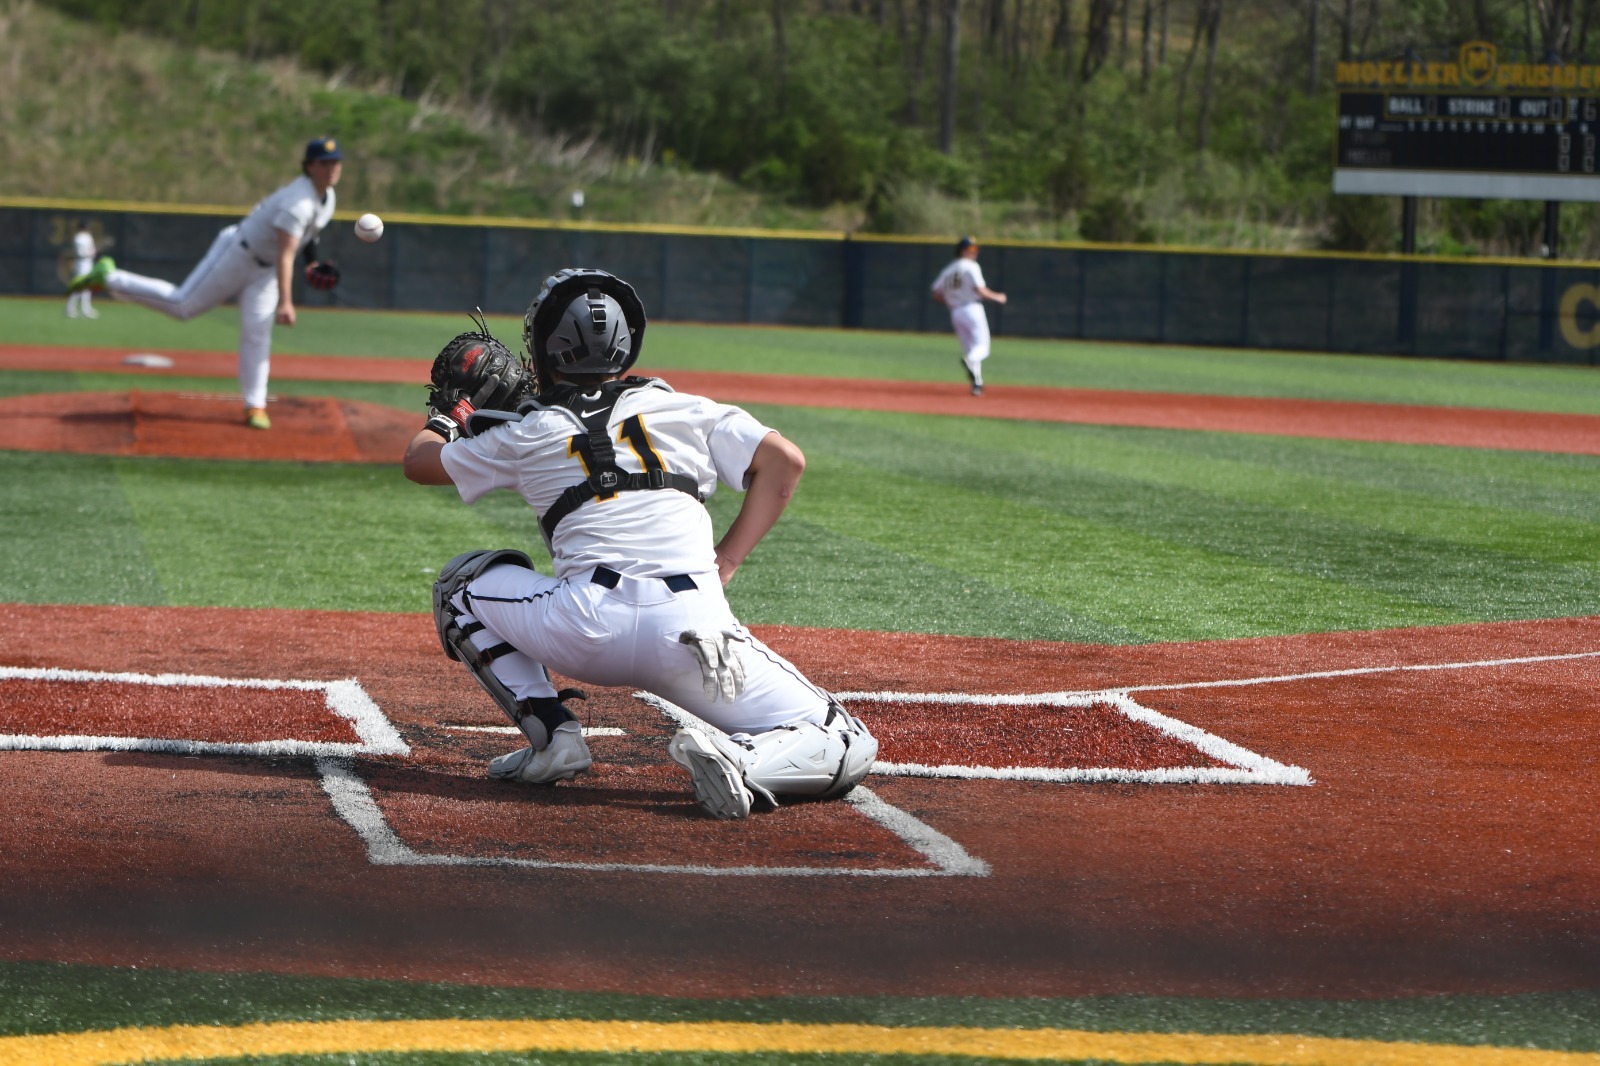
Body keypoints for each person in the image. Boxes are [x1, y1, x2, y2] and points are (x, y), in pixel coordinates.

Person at [403, 268, 878, 820]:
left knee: (461, 585)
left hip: (583, 626)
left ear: (543, 347)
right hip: (697, 637)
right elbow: (785, 462)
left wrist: (449, 416)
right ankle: (740, 762)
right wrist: (727, 559)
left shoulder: (526, 432)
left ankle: (555, 738)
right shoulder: (690, 409)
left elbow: (418, 462)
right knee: (843, 739)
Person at [65, 137, 345, 430]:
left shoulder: (327, 197)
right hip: (239, 253)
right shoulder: (297, 202)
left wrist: (312, 262)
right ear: (309, 166)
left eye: (336, 162)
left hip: (265, 272)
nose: (332, 168)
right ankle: (109, 277)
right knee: (182, 305)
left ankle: (255, 404)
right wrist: (287, 302)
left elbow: (308, 236)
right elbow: (286, 254)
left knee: (257, 334)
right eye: (325, 163)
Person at [930, 235, 1007, 396]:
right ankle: (971, 365)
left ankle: (977, 384)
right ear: (962, 251)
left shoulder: (948, 270)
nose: (975, 252)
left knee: (970, 349)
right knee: (982, 348)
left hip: (955, 312)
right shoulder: (971, 266)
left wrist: (950, 301)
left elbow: (935, 293)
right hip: (972, 309)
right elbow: (980, 290)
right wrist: (998, 296)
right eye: (971, 249)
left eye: (976, 249)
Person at [64, 221, 99, 320]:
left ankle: (85, 310)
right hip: (81, 265)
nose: (87, 229)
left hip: (88, 264)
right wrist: (89, 253)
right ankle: (69, 309)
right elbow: (81, 253)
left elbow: (91, 250)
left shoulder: (88, 237)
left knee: (87, 289)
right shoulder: (78, 238)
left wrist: (92, 252)